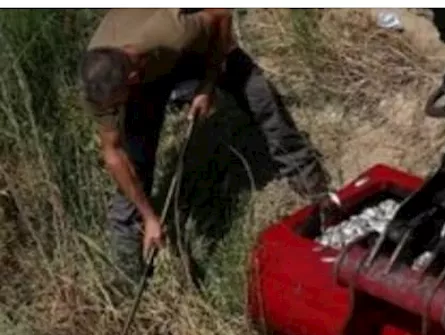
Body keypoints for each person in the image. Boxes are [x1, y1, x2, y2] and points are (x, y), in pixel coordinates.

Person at [79, 9, 332, 279]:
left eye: (119, 103)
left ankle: (313, 188)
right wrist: (150, 217)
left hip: (192, 52)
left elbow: (222, 14)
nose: (116, 110)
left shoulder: (171, 32)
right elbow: (114, 154)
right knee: (135, 165)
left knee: (259, 96)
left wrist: (208, 85)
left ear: (132, 80)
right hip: (144, 82)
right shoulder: (97, 82)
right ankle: (128, 275)